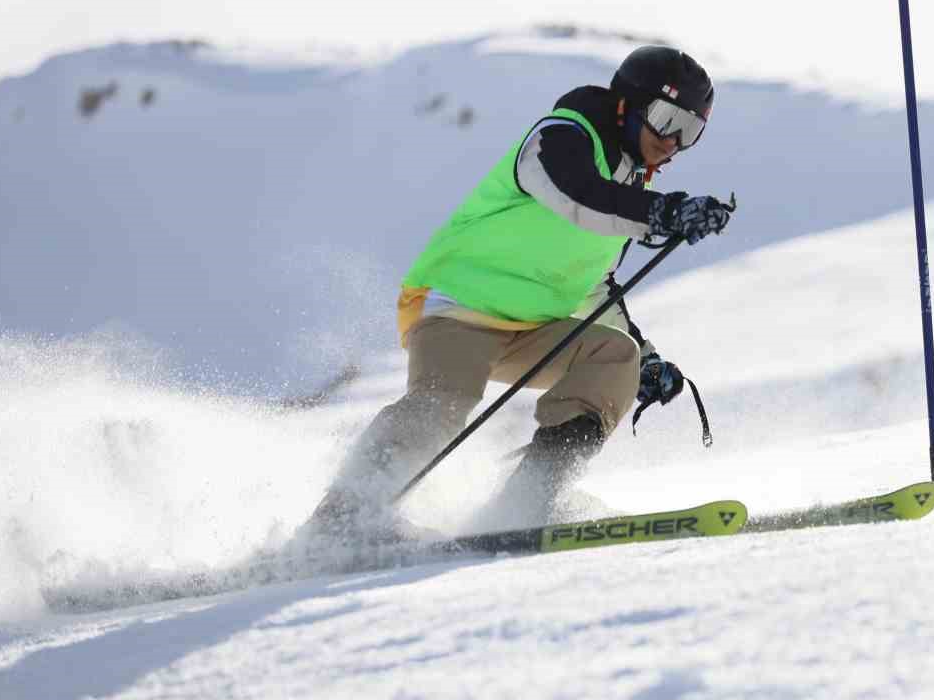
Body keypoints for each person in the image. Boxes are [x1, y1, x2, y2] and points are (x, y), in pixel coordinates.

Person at [302, 45, 732, 541]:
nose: (673, 142)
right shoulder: (560, 138)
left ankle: (529, 500)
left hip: (529, 327)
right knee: (445, 402)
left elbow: (593, 288)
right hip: (456, 308)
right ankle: (341, 516)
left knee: (618, 357)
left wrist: (647, 362)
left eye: (690, 131)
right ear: (627, 105)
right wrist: (661, 212)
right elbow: (575, 195)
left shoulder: (627, 186)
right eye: (666, 119)